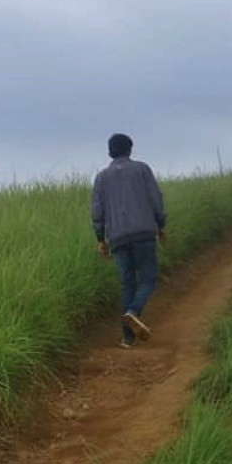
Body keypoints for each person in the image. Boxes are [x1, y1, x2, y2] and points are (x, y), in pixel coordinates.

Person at [91, 134, 167, 348]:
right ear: (130, 149)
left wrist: (100, 239)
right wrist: (160, 225)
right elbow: (155, 199)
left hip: (117, 238)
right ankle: (132, 312)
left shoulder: (101, 178)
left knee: (127, 283)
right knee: (149, 278)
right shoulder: (142, 169)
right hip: (143, 233)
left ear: (110, 151)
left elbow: (97, 210)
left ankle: (127, 338)